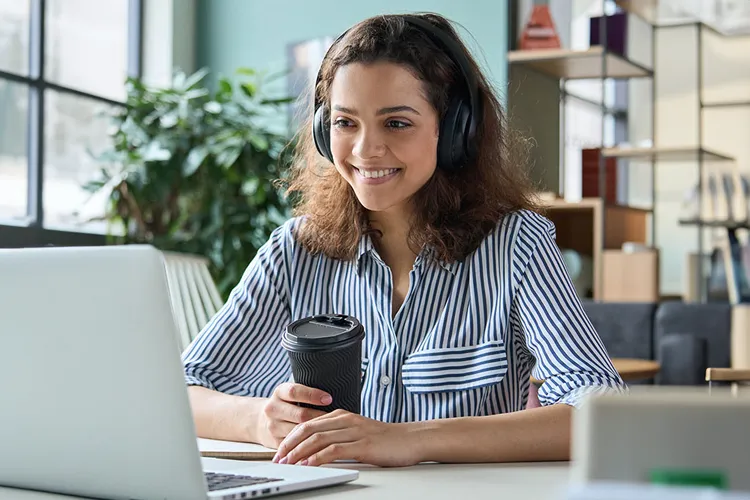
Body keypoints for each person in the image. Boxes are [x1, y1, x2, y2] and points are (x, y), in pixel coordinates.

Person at [182, 12, 625, 468]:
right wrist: (256, 419)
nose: (365, 149)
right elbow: (179, 390)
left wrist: (410, 440)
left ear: (454, 131)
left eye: (396, 123)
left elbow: (600, 409)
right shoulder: (293, 250)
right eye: (345, 123)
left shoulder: (517, 244)